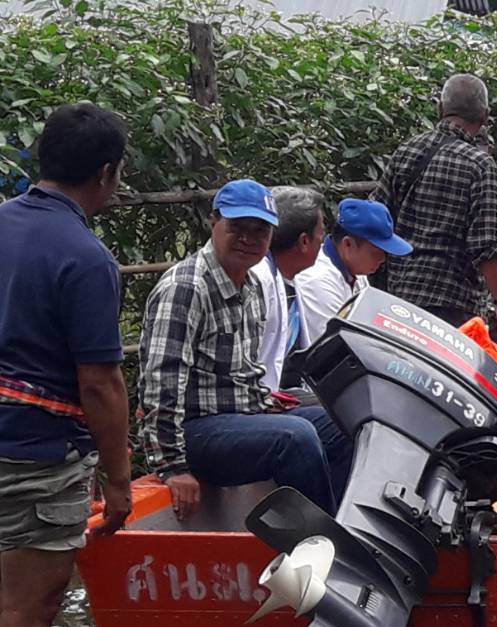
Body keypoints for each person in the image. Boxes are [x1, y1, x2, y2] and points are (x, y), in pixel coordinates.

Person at [0, 103, 131, 627]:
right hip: (34, 453)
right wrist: (119, 479)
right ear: (106, 173)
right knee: (27, 609)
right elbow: (100, 383)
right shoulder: (86, 258)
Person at [139, 180, 353, 521]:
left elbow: (243, 372)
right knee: (295, 439)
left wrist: (272, 403)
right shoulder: (187, 287)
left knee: (344, 421)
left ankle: (341, 525)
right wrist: (172, 466)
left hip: (239, 419)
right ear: (214, 223)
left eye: (260, 231)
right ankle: (321, 541)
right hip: (196, 431)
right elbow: (161, 383)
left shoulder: (250, 285)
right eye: (237, 228)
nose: (248, 239)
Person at [373, 74, 497, 339]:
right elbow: (485, 245)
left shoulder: (407, 150)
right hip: (453, 305)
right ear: (484, 117)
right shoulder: (480, 164)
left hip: (399, 298)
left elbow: (378, 215)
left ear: (440, 108)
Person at [293, 198, 414, 351]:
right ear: (348, 244)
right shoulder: (318, 281)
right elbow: (330, 348)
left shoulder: (355, 272)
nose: (383, 259)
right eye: (377, 252)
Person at [252, 187, 327, 391]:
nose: (323, 241)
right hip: (260, 395)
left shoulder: (288, 276)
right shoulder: (258, 280)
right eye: (321, 234)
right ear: (304, 241)